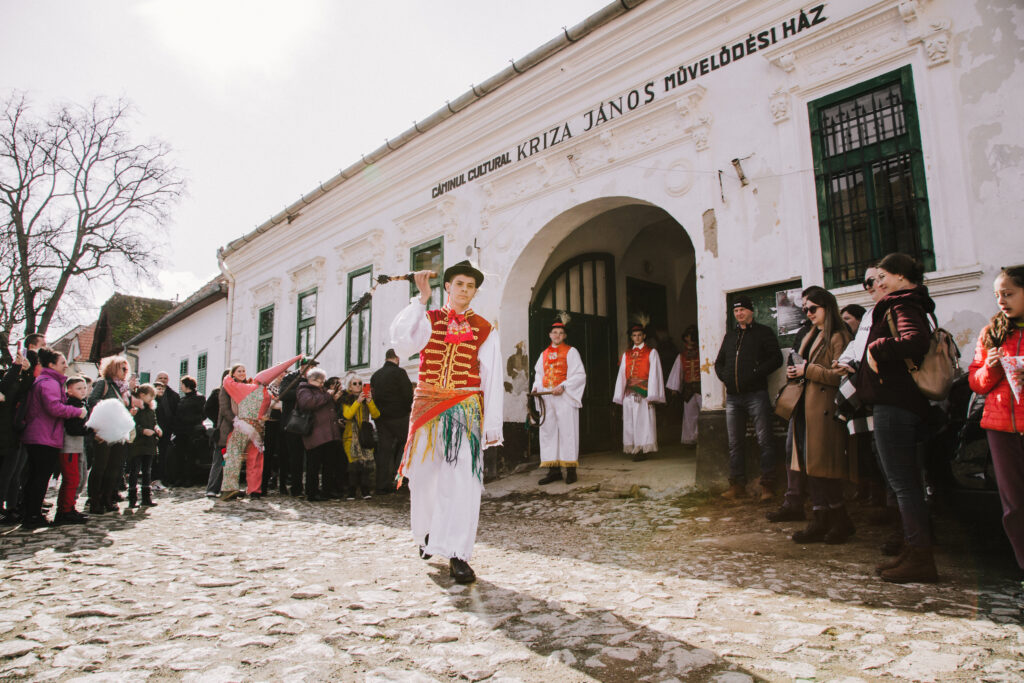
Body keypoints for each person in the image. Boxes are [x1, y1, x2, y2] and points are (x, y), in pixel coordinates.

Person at [391, 260, 503, 585]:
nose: (464, 290)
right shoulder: (427, 319)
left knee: (463, 482)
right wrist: (420, 298)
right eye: (459, 284)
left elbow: (492, 376)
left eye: (470, 286)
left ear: (475, 291)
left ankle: (458, 553)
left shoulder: (484, 328)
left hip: (464, 409)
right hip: (427, 408)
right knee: (425, 479)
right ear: (448, 287)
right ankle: (427, 536)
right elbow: (402, 343)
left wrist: (491, 424)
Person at [857, 252, 938, 583]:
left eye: (884, 276)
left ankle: (920, 556)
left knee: (903, 484)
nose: (879, 282)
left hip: (895, 404)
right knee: (905, 484)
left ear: (902, 278)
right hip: (899, 403)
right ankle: (913, 546)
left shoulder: (901, 303)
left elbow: (914, 340)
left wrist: (878, 347)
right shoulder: (908, 302)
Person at [785, 287, 855, 544]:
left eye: (813, 308)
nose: (809, 313)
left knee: (825, 467)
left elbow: (840, 374)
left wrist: (808, 370)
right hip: (805, 406)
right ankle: (820, 517)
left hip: (824, 408)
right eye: (805, 309)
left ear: (827, 306)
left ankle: (839, 519)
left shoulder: (838, 336)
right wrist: (796, 372)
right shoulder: (811, 334)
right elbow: (805, 367)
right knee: (809, 467)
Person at [968, 265, 1024, 571]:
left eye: (1009, 293)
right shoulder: (992, 332)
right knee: (1014, 506)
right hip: (1001, 427)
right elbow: (976, 382)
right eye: (997, 295)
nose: (1001, 300)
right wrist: (990, 366)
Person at [714, 296, 783, 501]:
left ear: (751, 311)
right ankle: (737, 485)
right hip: (734, 398)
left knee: (765, 440)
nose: (739, 314)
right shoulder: (730, 336)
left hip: (756, 395)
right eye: (736, 311)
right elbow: (719, 363)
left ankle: (768, 486)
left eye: (743, 310)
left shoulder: (764, 333)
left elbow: (776, 359)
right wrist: (725, 377)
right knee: (735, 443)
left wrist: (756, 372)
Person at [19, 348, 87, 529]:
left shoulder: (48, 381)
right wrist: (78, 412)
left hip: (41, 435)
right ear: (51, 365)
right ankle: (33, 515)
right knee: (39, 478)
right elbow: (54, 408)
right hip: (43, 436)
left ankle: (31, 513)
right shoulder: (48, 382)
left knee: (36, 477)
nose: (66, 366)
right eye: (63, 362)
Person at [220, 355, 302, 501]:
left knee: (233, 456)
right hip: (258, 429)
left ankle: (229, 488)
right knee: (256, 459)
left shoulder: (241, 388)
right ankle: (254, 490)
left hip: (242, 426)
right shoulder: (264, 393)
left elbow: (226, 382)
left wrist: (229, 376)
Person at [533, 317, 586, 485]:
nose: (557, 335)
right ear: (549, 334)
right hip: (547, 397)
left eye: (561, 333)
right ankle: (553, 470)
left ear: (564, 336)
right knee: (549, 432)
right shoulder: (543, 354)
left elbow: (579, 374)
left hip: (564, 397)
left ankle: (570, 470)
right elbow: (539, 374)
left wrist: (564, 386)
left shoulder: (571, 352)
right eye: (554, 332)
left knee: (567, 431)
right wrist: (536, 387)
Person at [87, 356, 136, 514]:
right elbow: (92, 401)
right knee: (100, 466)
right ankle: (95, 500)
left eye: (126, 369)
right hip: (104, 431)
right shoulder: (103, 384)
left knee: (115, 467)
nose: (125, 372)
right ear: (113, 368)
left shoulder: (124, 389)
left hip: (119, 432)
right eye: (122, 368)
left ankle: (108, 498)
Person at [613, 324, 665, 461]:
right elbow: (622, 374)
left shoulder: (651, 352)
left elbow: (655, 374)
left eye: (639, 335)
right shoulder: (627, 354)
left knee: (642, 421)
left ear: (644, 336)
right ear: (631, 337)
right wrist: (620, 394)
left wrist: (652, 394)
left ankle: (643, 449)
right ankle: (634, 447)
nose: (637, 338)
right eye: (634, 335)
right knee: (630, 420)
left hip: (643, 391)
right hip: (629, 392)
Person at [370, 349, 413, 493]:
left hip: (382, 418)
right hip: (399, 416)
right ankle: (399, 476)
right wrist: (406, 409)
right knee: (406, 443)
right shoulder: (399, 373)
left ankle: (381, 485)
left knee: (384, 450)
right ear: (397, 357)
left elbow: (374, 395)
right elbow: (408, 394)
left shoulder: (376, 375)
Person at [296, 367, 342, 502]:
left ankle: (326, 490)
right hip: (315, 434)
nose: (322, 384)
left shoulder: (321, 391)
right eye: (320, 381)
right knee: (314, 465)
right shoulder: (304, 390)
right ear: (312, 380)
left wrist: (334, 398)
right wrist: (328, 395)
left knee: (329, 464)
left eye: (323, 381)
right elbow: (308, 403)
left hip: (328, 433)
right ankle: (312, 492)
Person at [54, 375, 90, 525]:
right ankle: (65, 511)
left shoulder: (81, 404)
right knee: (71, 479)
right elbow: (73, 429)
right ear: (69, 390)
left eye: (84, 388)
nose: (83, 391)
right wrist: (90, 429)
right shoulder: (73, 405)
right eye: (78, 388)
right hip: (68, 447)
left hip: (76, 446)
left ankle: (69, 508)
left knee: (77, 478)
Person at [279, 358, 317, 496]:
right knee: (295, 457)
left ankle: (310, 487)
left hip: (310, 422)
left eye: (314, 366)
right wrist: (303, 389)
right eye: (310, 366)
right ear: (302, 367)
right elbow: (283, 394)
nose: (312, 369)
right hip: (293, 422)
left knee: (310, 456)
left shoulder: (316, 378)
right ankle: (296, 487)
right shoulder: (291, 378)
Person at [340, 372, 380, 500]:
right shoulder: (346, 399)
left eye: (360, 384)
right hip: (350, 436)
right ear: (350, 386)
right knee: (353, 464)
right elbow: (347, 415)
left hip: (365, 436)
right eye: (355, 384)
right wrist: (357, 401)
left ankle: (365, 490)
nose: (358, 386)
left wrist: (369, 402)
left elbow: (376, 415)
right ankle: (351, 491)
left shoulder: (367, 399)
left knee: (367, 464)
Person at [0, 351, 28, 524]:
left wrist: (24, 371)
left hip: (13, 434)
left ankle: (10, 507)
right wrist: (17, 368)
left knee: (12, 474)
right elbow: (6, 386)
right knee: (5, 475)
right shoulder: (5, 387)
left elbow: (22, 389)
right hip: (6, 435)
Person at [667, 325, 701, 448]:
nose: (690, 338)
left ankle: (702, 438)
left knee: (703, 413)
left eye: (692, 336)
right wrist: (674, 389)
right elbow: (678, 372)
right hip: (688, 389)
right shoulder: (681, 356)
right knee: (689, 415)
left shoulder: (702, 353)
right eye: (688, 336)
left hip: (701, 388)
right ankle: (691, 440)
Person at [127, 383, 161, 508]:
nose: (152, 398)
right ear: (142, 395)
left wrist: (157, 428)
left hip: (149, 444)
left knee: (147, 471)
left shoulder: (150, 410)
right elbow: (132, 424)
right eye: (150, 396)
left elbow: (154, 422)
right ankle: (132, 498)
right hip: (137, 444)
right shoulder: (135, 409)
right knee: (134, 471)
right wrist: (142, 431)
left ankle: (146, 498)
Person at [174, 376, 206, 486]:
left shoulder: (199, 398)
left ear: (187, 385)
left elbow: (203, 413)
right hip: (181, 432)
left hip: (192, 431)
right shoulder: (182, 399)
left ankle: (189, 478)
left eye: (182, 384)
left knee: (191, 456)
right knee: (180, 456)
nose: (181, 387)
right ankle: (180, 477)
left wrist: (192, 420)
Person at [204, 370, 232, 498]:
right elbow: (208, 408)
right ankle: (213, 487)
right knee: (219, 459)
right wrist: (218, 420)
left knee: (227, 461)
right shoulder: (218, 392)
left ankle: (225, 487)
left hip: (232, 429)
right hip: (222, 430)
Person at [152, 371, 179, 491]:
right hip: (153, 430)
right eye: (160, 378)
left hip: (167, 430)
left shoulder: (173, 395)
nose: (163, 380)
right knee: (153, 457)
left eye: (165, 378)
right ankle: (153, 479)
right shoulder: (150, 393)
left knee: (164, 456)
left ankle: (163, 478)